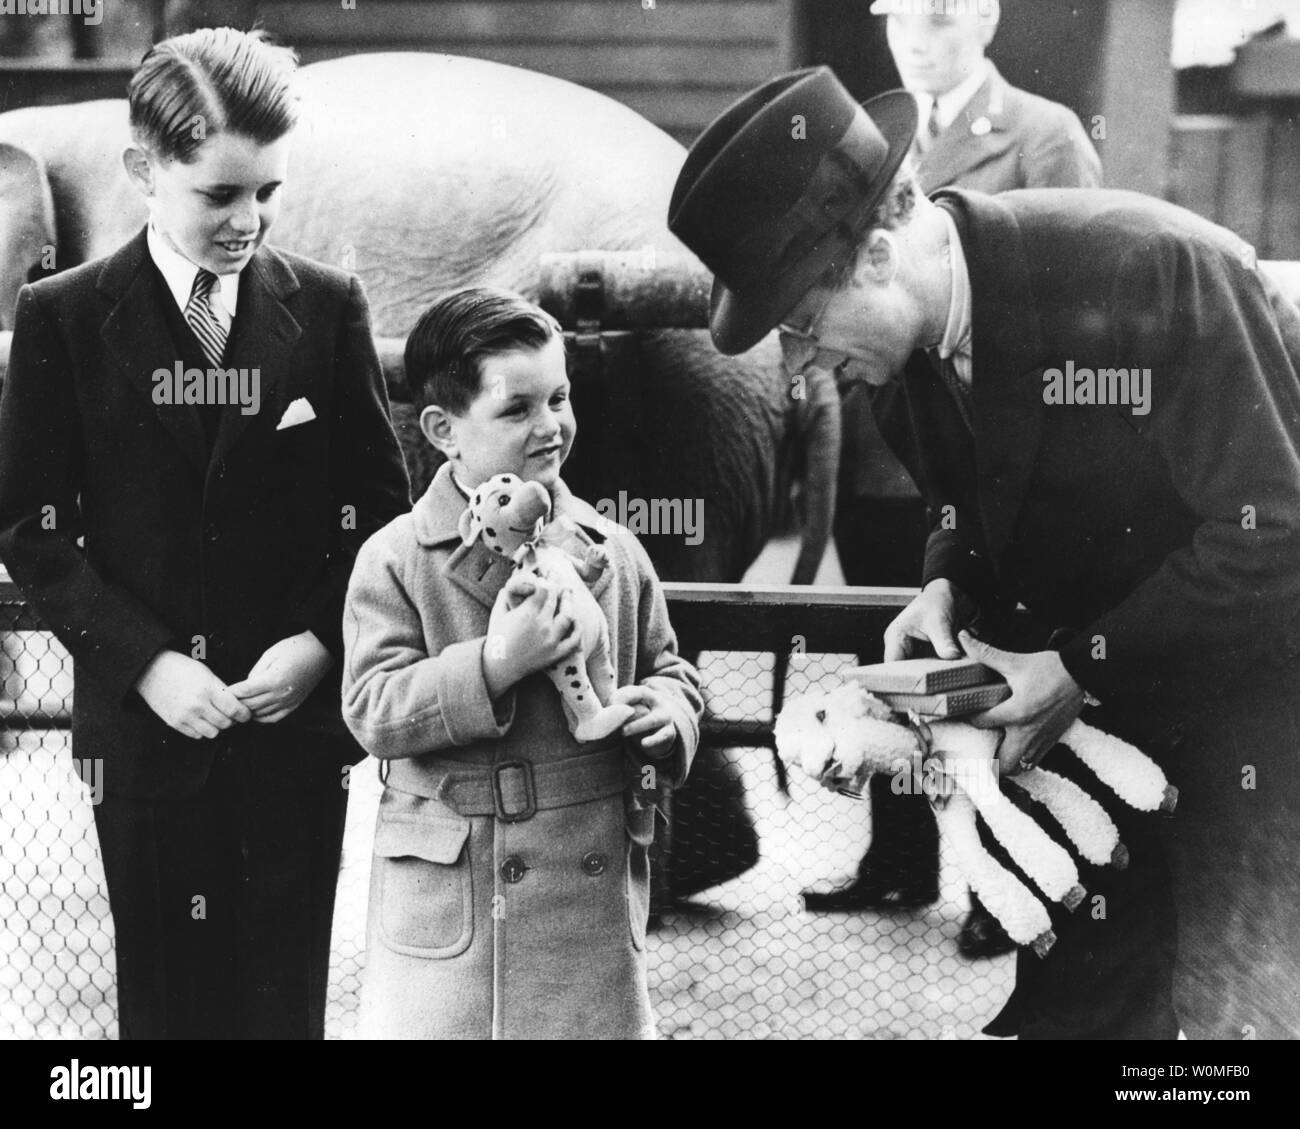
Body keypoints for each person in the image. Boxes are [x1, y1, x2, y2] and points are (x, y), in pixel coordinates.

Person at [667, 66, 1300, 1039]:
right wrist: (942, 585)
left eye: (798, 327)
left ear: (873, 253)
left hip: (1251, 747)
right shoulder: (896, 360)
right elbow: (966, 506)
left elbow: (1273, 527)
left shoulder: (1151, 270)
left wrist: (1081, 665)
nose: (798, 368)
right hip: (1094, 767)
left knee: (1227, 1030)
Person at [0, 27, 410, 1039]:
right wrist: (147, 666)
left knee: (281, 1009)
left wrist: (319, 646)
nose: (250, 220)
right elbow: (30, 527)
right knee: (168, 1010)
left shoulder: (326, 308)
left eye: (266, 192)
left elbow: (383, 513)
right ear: (144, 169)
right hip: (144, 743)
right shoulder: (58, 318)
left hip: (292, 740)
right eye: (219, 195)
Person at [815, 0, 1104, 961]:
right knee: (897, 659)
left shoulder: (1045, 135)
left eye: (940, 17)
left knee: (1000, 664)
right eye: (901, 17)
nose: (918, 39)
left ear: (984, 21)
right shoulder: (857, 152)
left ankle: (1005, 878)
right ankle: (898, 857)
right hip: (882, 456)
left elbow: (1072, 297)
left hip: (1003, 470)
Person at [339, 287, 702, 1039]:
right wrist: (495, 664)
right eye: (517, 409)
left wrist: (669, 720)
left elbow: (671, 669)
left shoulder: (613, 549)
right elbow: (372, 705)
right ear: (442, 429)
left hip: (586, 898)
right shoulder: (399, 559)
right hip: (454, 901)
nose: (551, 427)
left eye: (560, 397)